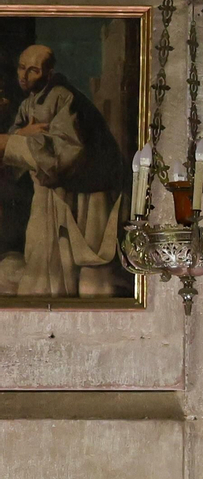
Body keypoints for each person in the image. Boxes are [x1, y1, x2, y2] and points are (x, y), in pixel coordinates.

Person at [0, 44, 128, 297]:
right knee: (44, 253)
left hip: (83, 190)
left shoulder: (64, 97)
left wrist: (18, 142)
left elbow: (68, 150)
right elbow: (16, 141)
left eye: (33, 71)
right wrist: (22, 136)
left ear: (49, 73)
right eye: (22, 68)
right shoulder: (29, 103)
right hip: (49, 189)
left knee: (85, 265)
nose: (23, 76)